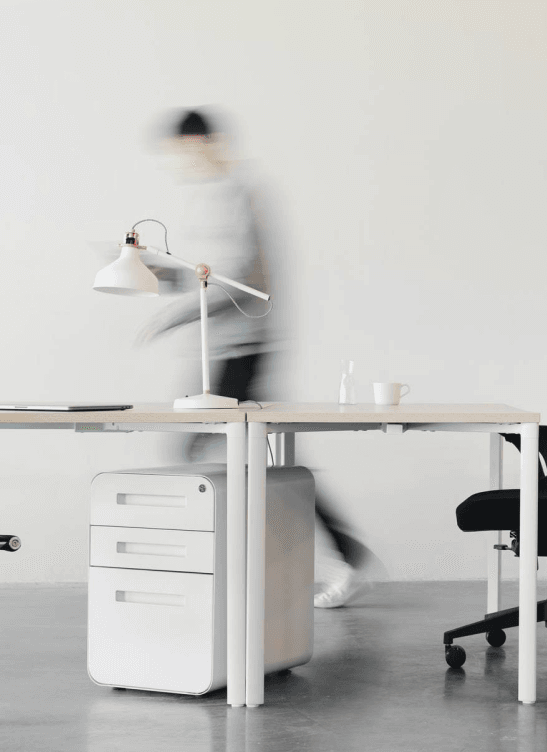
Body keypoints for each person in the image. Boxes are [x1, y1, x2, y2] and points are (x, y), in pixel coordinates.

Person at [139, 108, 372, 608]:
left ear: (204, 141)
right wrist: (163, 280)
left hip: (240, 347)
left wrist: (174, 317)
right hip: (226, 348)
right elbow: (208, 274)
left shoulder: (234, 193)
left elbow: (242, 278)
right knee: (259, 456)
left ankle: (236, 568)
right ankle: (337, 553)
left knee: (209, 454)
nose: (182, 159)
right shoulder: (210, 197)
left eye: (187, 148)